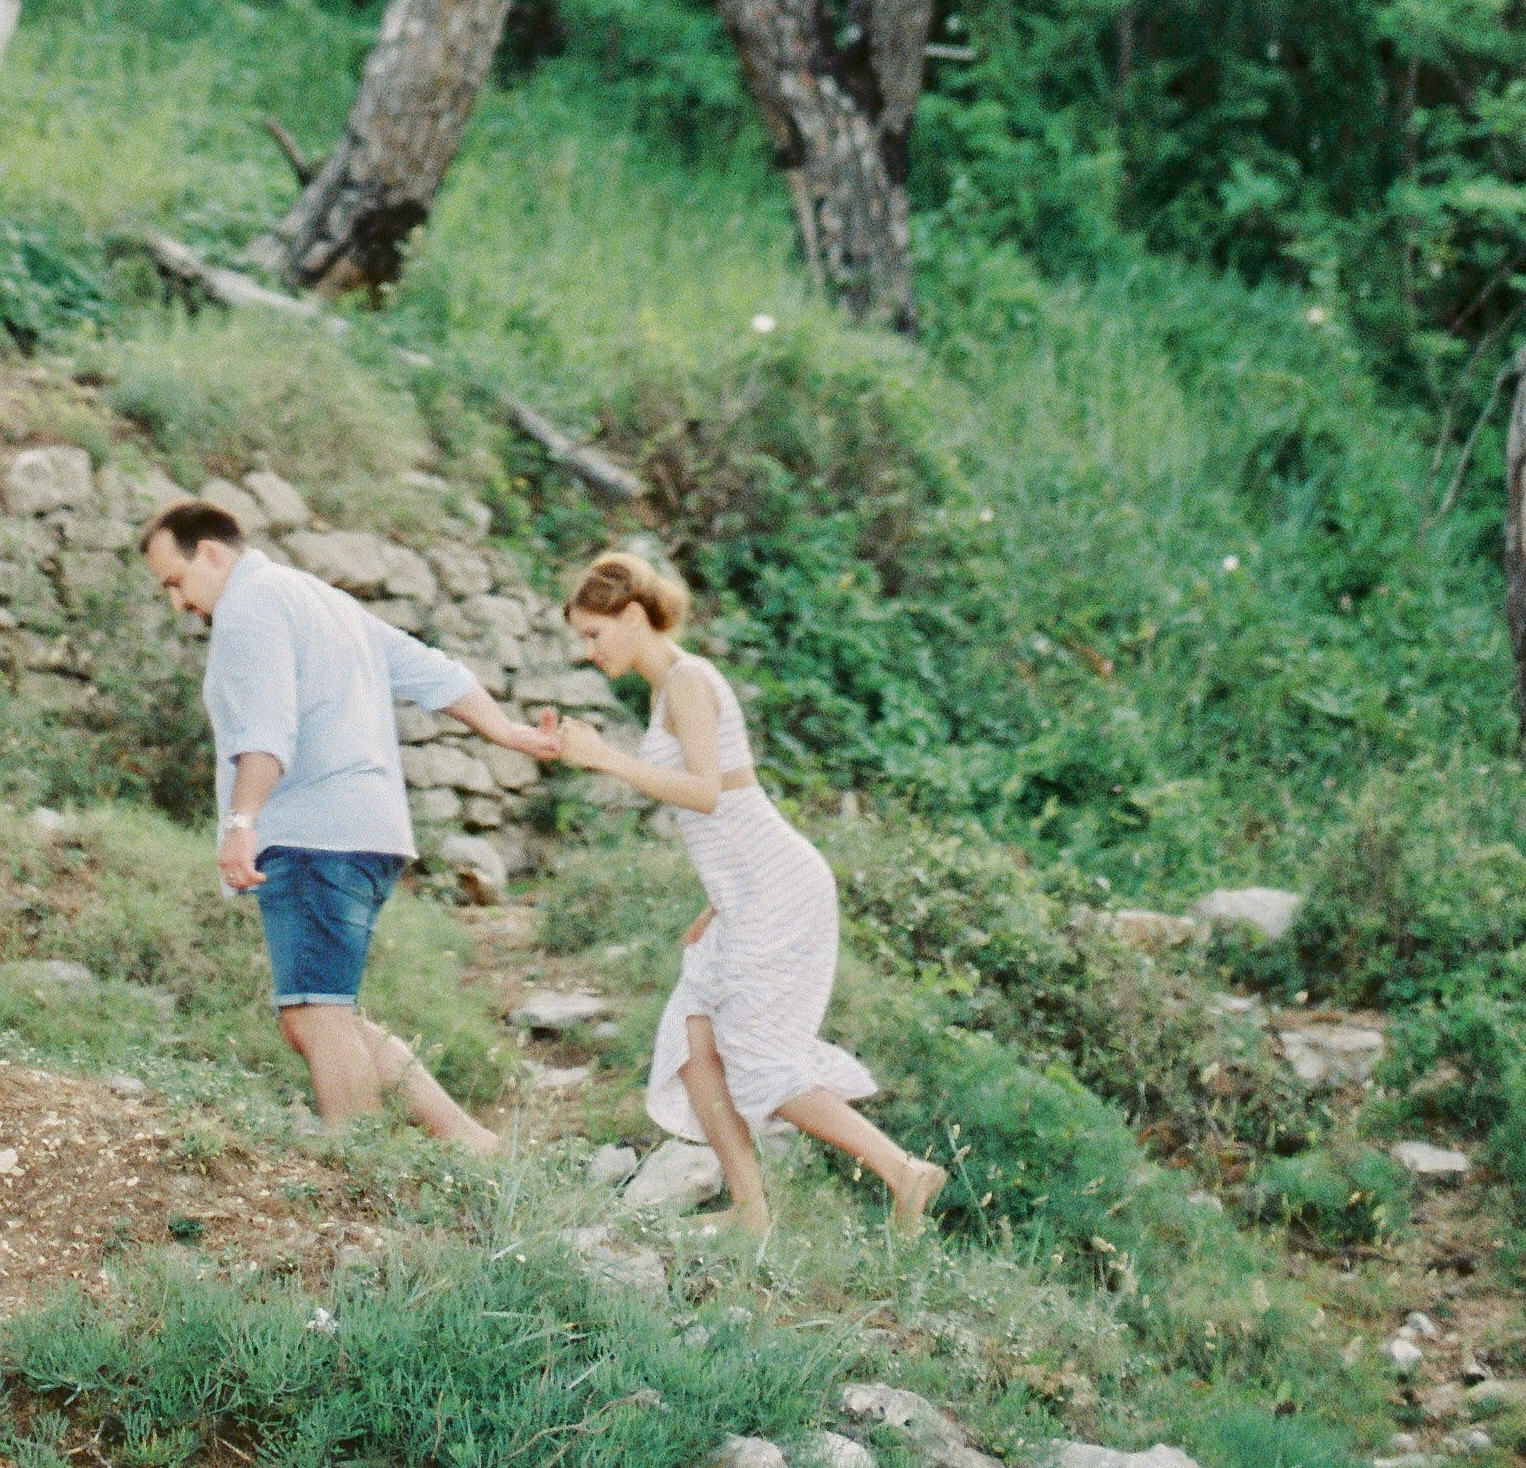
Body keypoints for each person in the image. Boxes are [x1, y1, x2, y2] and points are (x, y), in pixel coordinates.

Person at [546, 548, 945, 1238]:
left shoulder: (688, 680)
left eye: (593, 632)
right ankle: (751, 1210)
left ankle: (903, 1171)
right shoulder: (667, 688)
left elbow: (706, 793)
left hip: (777, 887)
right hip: (747, 889)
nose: (588, 650)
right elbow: (730, 797)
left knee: (757, 1060)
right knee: (691, 1039)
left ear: (633, 616)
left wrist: (606, 758)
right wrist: (717, 899)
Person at [142, 497, 557, 1148]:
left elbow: (267, 728)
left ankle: (361, 1170)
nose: (178, 602)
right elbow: (433, 671)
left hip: (314, 835)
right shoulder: (320, 598)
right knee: (327, 1012)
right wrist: (504, 729)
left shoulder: (249, 606)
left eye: (176, 581)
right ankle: (477, 1147)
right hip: (368, 834)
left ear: (212, 553)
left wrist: (242, 820)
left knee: (315, 1015)